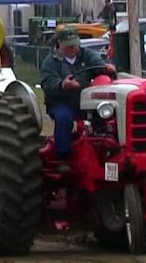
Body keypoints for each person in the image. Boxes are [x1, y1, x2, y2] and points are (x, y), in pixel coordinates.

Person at [39, 29, 114, 171]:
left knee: (104, 117)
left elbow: (98, 67)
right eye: (69, 46)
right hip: (60, 102)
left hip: (86, 102)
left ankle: (102, 151)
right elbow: (47, 83)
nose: (74, 49)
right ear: (59, 44)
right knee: (64, 118)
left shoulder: (87, 55)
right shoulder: (51, 62)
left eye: (75, 45)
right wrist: (62, 85)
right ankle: (63, 157)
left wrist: (107, 69)